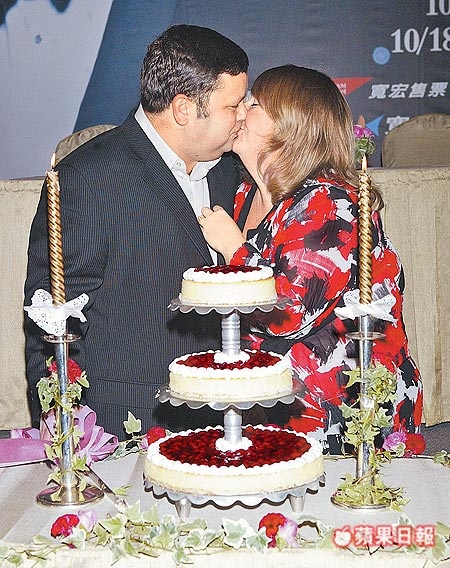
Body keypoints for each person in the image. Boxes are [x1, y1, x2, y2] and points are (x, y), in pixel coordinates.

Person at [24, 25, 249, 438]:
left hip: (227, 424)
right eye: (232, 106)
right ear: (183, 109)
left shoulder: (229, 171)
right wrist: (63, 435)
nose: (243, 117)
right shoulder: (88, 179)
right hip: (127, 430)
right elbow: (52, 323)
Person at [198, 65, 422, 454]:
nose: (239, 110)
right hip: (268, 403)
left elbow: (288, 314)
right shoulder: (243, 194)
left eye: (253, 104)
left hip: (344, 417)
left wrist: (235, 249)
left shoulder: (332, 203)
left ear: (290, 126)